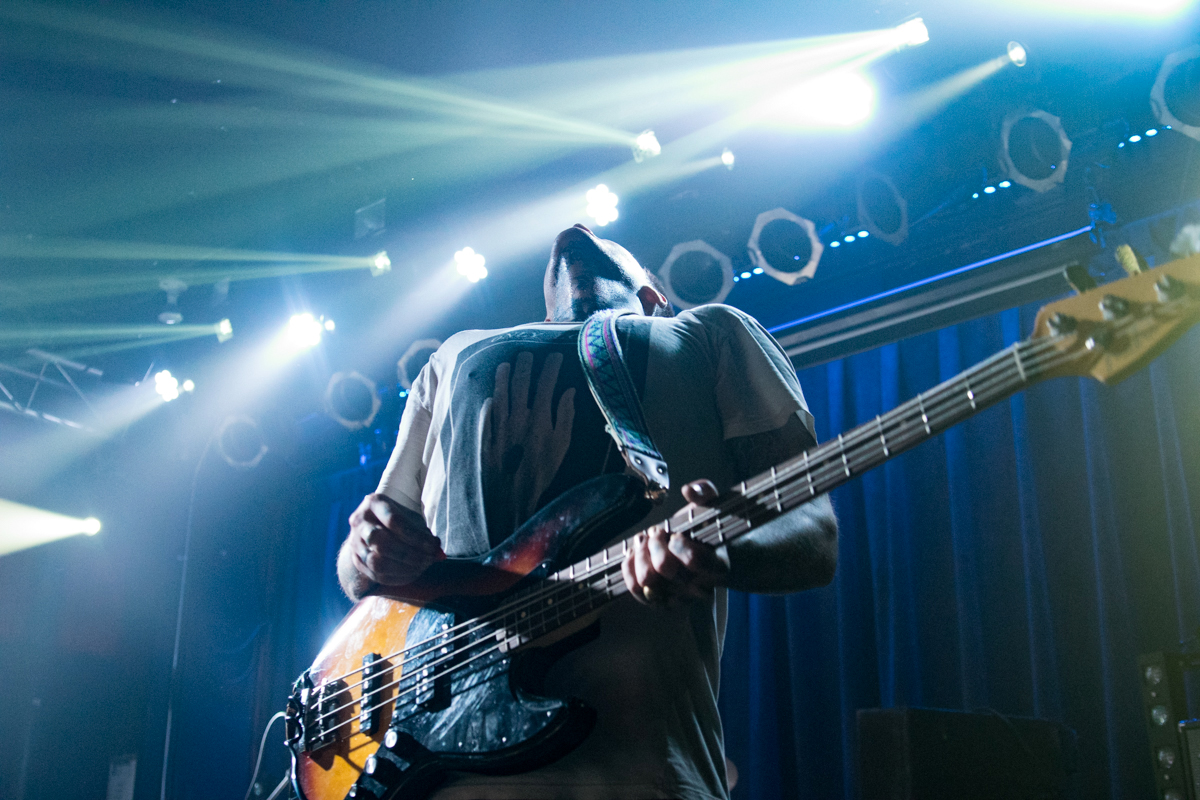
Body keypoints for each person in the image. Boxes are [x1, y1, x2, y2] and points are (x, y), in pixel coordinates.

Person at [337, 223, 838, 800]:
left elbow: (814, 534)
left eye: (606, 238)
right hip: (432, 779)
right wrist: (367, 547)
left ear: (654, 298)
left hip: (639, 776)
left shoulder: (709, 332)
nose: (575, 229)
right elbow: (363, 575)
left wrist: (720, 554)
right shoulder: (453, 354)